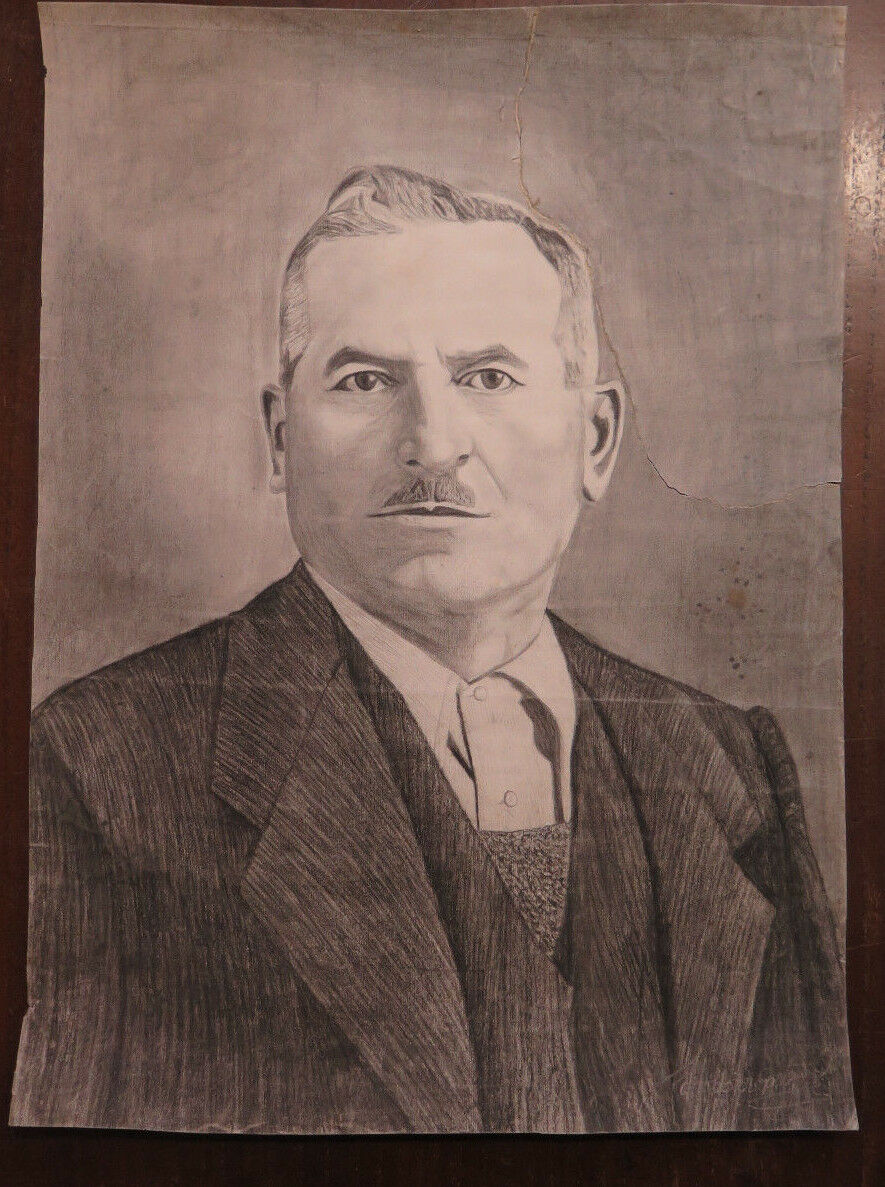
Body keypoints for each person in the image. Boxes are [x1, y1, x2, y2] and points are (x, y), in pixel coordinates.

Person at [10, 165, 855, 1134]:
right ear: (281, 440)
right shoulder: (101, 763)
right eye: (366, 381)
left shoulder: (728, 764)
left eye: (487, 377)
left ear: (596, 438)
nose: (434, 443)